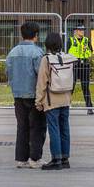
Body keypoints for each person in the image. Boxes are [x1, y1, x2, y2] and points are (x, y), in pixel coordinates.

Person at [6, 21, 46, 168]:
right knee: (37, 126)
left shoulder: (13, 52)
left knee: (21, 126)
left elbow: (8, 73)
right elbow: (41, 75)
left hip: (18, 95)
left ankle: (21, 159)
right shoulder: (38, 53)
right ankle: (35, 158)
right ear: (36, 36)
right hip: (34, 95)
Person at [36, 32, 75, 171]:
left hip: (51, 100)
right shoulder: (68, 58)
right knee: (65, 128)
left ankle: (56, 159)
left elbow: (42, 82)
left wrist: (38, 101)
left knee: (54, 129)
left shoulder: (46, 60)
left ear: (47, 44)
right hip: (65, 99)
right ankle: (65, 159)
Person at [67, 26, 94, 115]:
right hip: (74, 65)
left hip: (84, 65)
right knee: (71, 87)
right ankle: (66, 106)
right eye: (80, 30)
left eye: (83, 30)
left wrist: (85, 53)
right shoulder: (70, 40)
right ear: (76, 31)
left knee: (85, 87)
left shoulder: (86, 40)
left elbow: (91, 51)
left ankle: (89, 107)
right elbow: (66, 52)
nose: (82, 31)